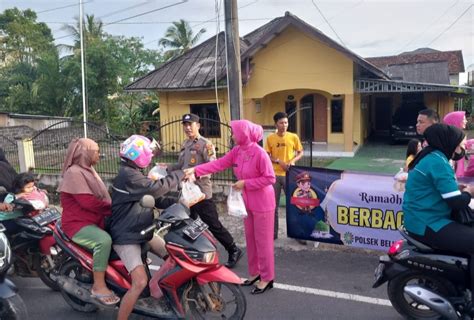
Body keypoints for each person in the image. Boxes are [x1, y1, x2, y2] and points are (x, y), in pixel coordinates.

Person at [184, 120, 276, 295]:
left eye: (234, 132)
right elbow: (217, 164)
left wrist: (245, 183)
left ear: (243, 134)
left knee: (263, 241)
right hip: (247, 201)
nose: (232, 136)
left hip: (263, 202)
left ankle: (267, 277)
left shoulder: (260, 153)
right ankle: (255, 273)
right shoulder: (237, 151)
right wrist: (195, 171)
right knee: (251, 239)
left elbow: (270, 178)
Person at [108, 135, 184, 320]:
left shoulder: (134, 172)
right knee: (140, 282)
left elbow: (154, 199)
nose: (150, 155)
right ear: (139, 154)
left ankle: (159, 294)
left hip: (143, 230)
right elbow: (155, 189)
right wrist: (180, 173)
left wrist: (178, 201)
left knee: (175, 256)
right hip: (126, 235)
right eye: (148, 152)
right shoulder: (128, 175)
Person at [403, 123, 474, 311]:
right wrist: (469, 192)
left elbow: (441, 189)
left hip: (424, 218)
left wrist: (461, 191)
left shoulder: (432, 156)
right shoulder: (437, 161)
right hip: (428, 223)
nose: (462, 149)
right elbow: (456, 203)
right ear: (448, 142)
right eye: (459, 144)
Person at [165, 113, 242, 268]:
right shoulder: (185, 144)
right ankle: (196, 252)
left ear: (198, 126)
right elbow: (181, 165)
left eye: (190, 124)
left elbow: (212, 167)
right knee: (189, 224)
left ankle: (233, 249)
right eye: (185, 125)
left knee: (212, 223)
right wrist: (166, 167)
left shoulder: (206, 144)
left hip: (201, 193)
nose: (187, 128)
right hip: (187, 194)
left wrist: (195, 175)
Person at [58, 138, 119, 306]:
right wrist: (112, 208)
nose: (100, 154)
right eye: (96, 151)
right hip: (77, 224)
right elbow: (88, 202)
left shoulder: (88, 170)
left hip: (93, 219)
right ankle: (98, 286)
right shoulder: (74, 173)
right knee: (103, 240)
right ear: (85, 153)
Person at [265, 112, 303, 240]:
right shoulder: (270, 138)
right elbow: (266, 155)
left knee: (293, 204)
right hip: (274, 176)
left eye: (286, 122)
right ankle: (273, 234)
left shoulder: (293, 137)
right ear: (276, 123)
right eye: (281, 122)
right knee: (273, 206)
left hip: (289, 175)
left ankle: (297, 234)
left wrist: (293, 161)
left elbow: (300, 151)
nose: (284, 125)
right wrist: (277, 161)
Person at [443, 110, 469, 177]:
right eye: (464, 119)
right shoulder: (448, 139)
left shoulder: (460, 135)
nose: (466, 121)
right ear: (455, 121)